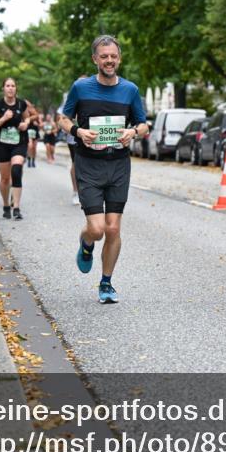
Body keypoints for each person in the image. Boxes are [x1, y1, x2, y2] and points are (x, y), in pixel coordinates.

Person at [59, 36, 148, 304]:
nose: (109, 60)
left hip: (119, 165)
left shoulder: (130, 90)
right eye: (104, 56)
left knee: (112, 229)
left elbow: (144, 125)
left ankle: (106, 283)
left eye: (113, 56)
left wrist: (132, 132)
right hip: (88, 165)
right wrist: (78, 130)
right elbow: (63, 118)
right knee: (96, 229)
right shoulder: (81, 88)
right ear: (95, 59)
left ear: (119, 58)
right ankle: (86, 244)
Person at [0, 78, 35, 220]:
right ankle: (6, 205)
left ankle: (17, 208)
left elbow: (28, 118)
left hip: (19, 142)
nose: (10, 88)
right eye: (7, 86)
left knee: (16, 170)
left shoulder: (21, 103)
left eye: (13, 86)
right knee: (5, 178)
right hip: (2, 144)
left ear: (16, 88)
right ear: (3, 88)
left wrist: (25, 124)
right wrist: (3, 118)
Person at [58, 82, 84, 206]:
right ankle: (76, 192)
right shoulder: (71, 97)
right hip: (73, 138)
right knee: (76, 163)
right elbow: (61, 118)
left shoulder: (94, 95)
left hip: (90, 137)